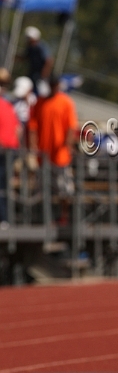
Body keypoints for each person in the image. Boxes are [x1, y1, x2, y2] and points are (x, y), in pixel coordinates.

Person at [28, 74, 78, 223]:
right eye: (51, 84)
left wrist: (67, 146)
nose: (53, 87)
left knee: (64, 190)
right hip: (43, 155)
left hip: (60, 155)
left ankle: (64, 217)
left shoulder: (66, 102)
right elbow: (33, 126)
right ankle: (44, 218)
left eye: (55, 84)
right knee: (43, 190)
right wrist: (32, 147)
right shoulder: (39, 102)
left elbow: (71, 126)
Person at [0, 68, 20, 226]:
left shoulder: (7, 105)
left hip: (5, 149)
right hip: (10, 149)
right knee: (4, 185)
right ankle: (5, 219)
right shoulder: (8, 105)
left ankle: (4, 218)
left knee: (3, 185)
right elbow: (18, 130)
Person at [20, 26, 53, 95]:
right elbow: (26, 56)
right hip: (32, 72)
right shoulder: (30, 47)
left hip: (40, 75)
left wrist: (44, 74)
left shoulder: (41, 47)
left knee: (39, 91)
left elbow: (48, 60)